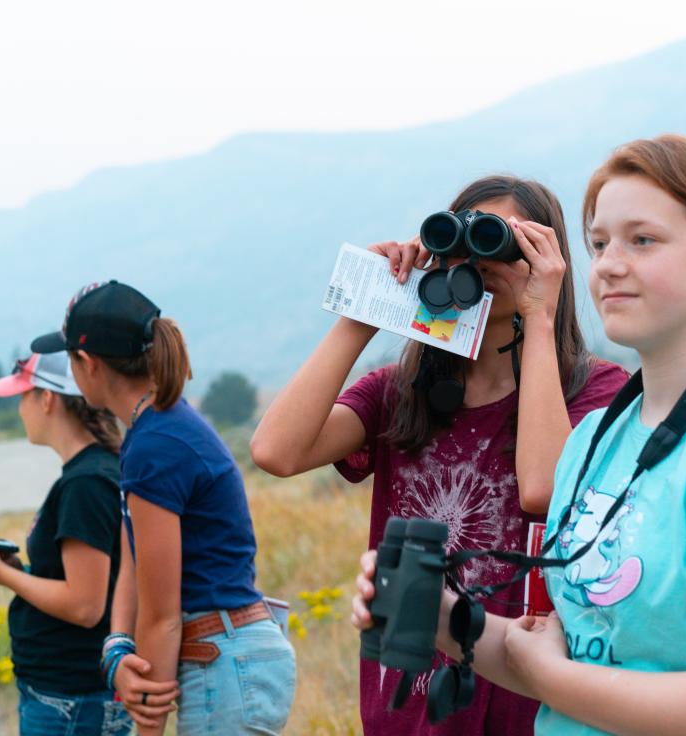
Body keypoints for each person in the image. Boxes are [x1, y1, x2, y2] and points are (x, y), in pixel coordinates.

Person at [353, 134, 686, 735]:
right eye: (600, 242)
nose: (607, 263)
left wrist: (547, 674)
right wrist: (440, 617)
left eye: (643, 240)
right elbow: (566, 651)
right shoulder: (592, 443)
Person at [251, 175, 629, 734]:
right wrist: (368, 307)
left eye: (501, 240)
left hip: (523, 698)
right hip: (407, 695)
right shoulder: (401, 391)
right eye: (464, 239)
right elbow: (275, 450)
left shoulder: (595, 391)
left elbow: (543, 488)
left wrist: (542, 318)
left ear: (545, 257)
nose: (480, 260)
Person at [30, 281, 296, 736]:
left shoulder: (156, 444)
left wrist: (148, 725)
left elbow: (162, 614)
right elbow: (134, 559)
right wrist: (116, 648)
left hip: (221, 662)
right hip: (228, 658)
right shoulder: (154, 430)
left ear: (87, 364)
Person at [0, 351, 131, 736]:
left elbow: (85, 606)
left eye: (22, 396)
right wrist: (23, 572)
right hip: (67, 696)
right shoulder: (92, 474)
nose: (18, 409)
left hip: (72, 701)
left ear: (47, 399)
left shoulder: (86, 484)